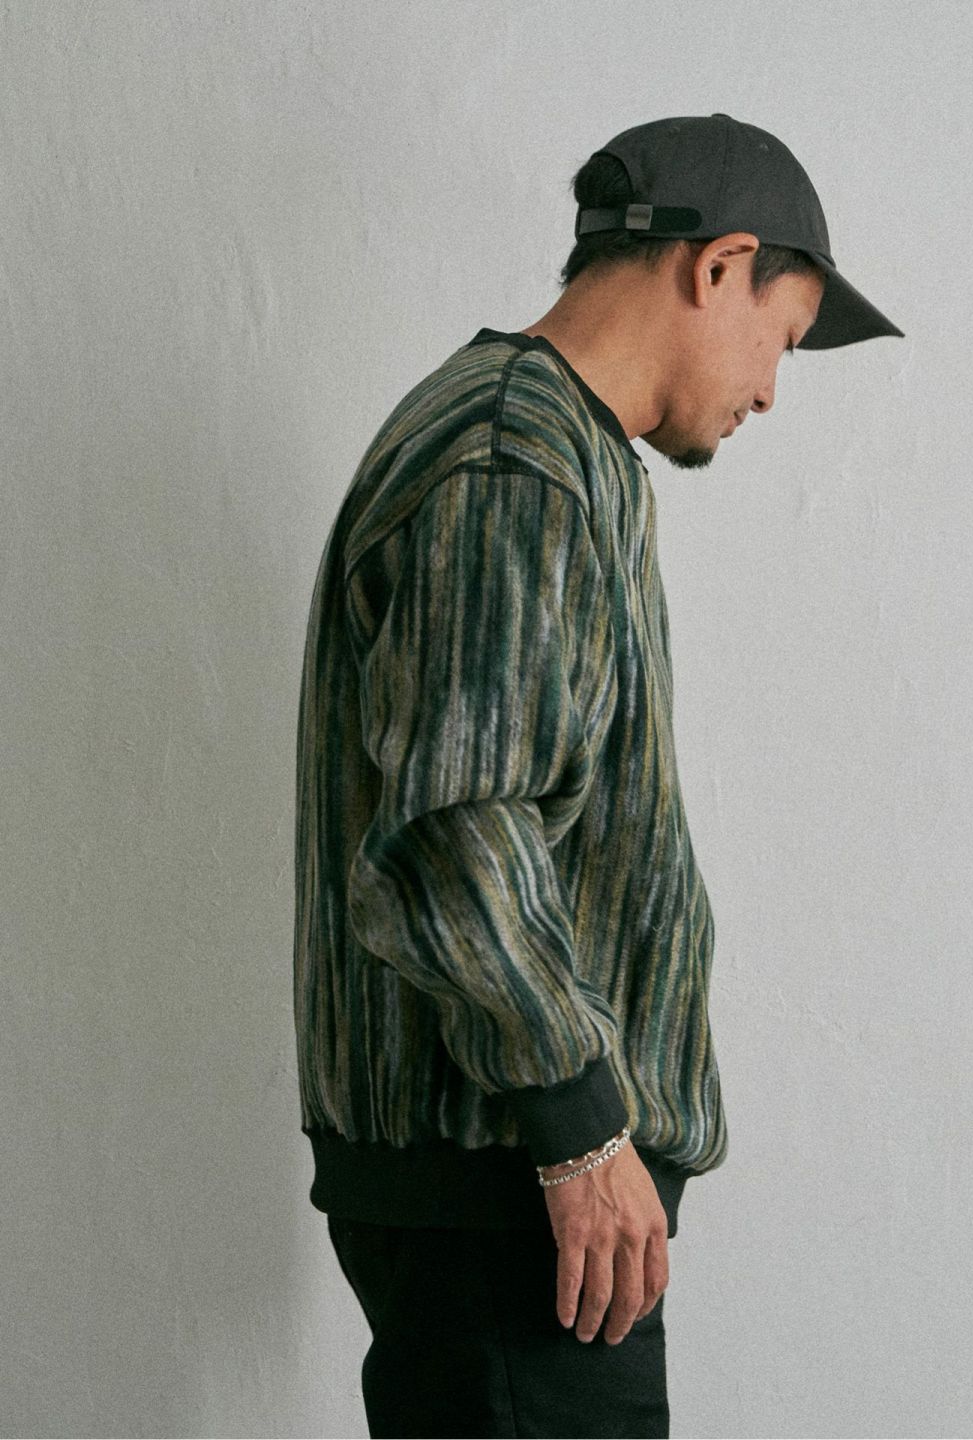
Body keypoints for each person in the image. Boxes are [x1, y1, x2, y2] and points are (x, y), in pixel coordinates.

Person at [292, 111, 903, 1438]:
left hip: (514, 1183)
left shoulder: (548, 447)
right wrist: (579, 1125)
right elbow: (462, 821)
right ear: (718, 265)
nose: (770, 392)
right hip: (511, 1184)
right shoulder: (513, 456)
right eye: (782, 338)